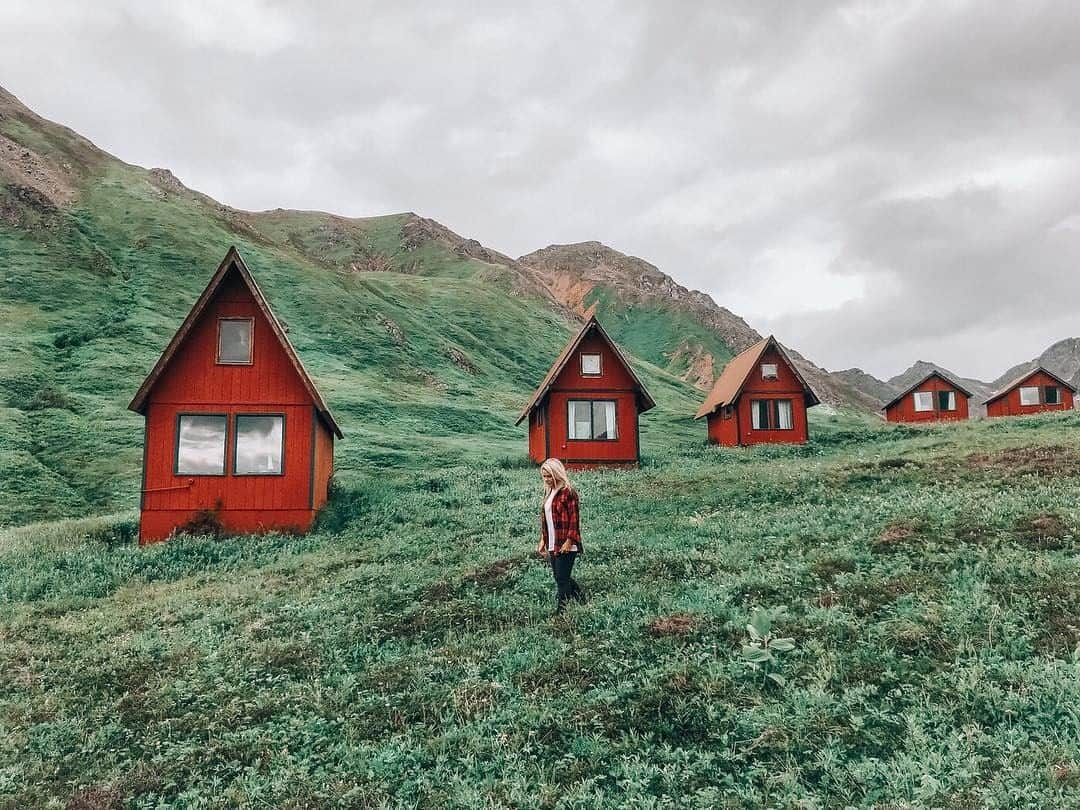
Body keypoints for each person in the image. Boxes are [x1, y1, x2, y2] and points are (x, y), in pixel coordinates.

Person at [536, 458, 586, 614]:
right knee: (559, 576)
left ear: (557, 473)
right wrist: (543, 540)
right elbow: (547, 519)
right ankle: (581, 599)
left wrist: (569, 541)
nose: (547, 480)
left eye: (549, 476)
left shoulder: (568, 492)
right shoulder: (550, 493)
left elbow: (574, 520)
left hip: (566, 543)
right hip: (553, 542)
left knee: (562, 578)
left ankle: (562, 611)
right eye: (544, 476)